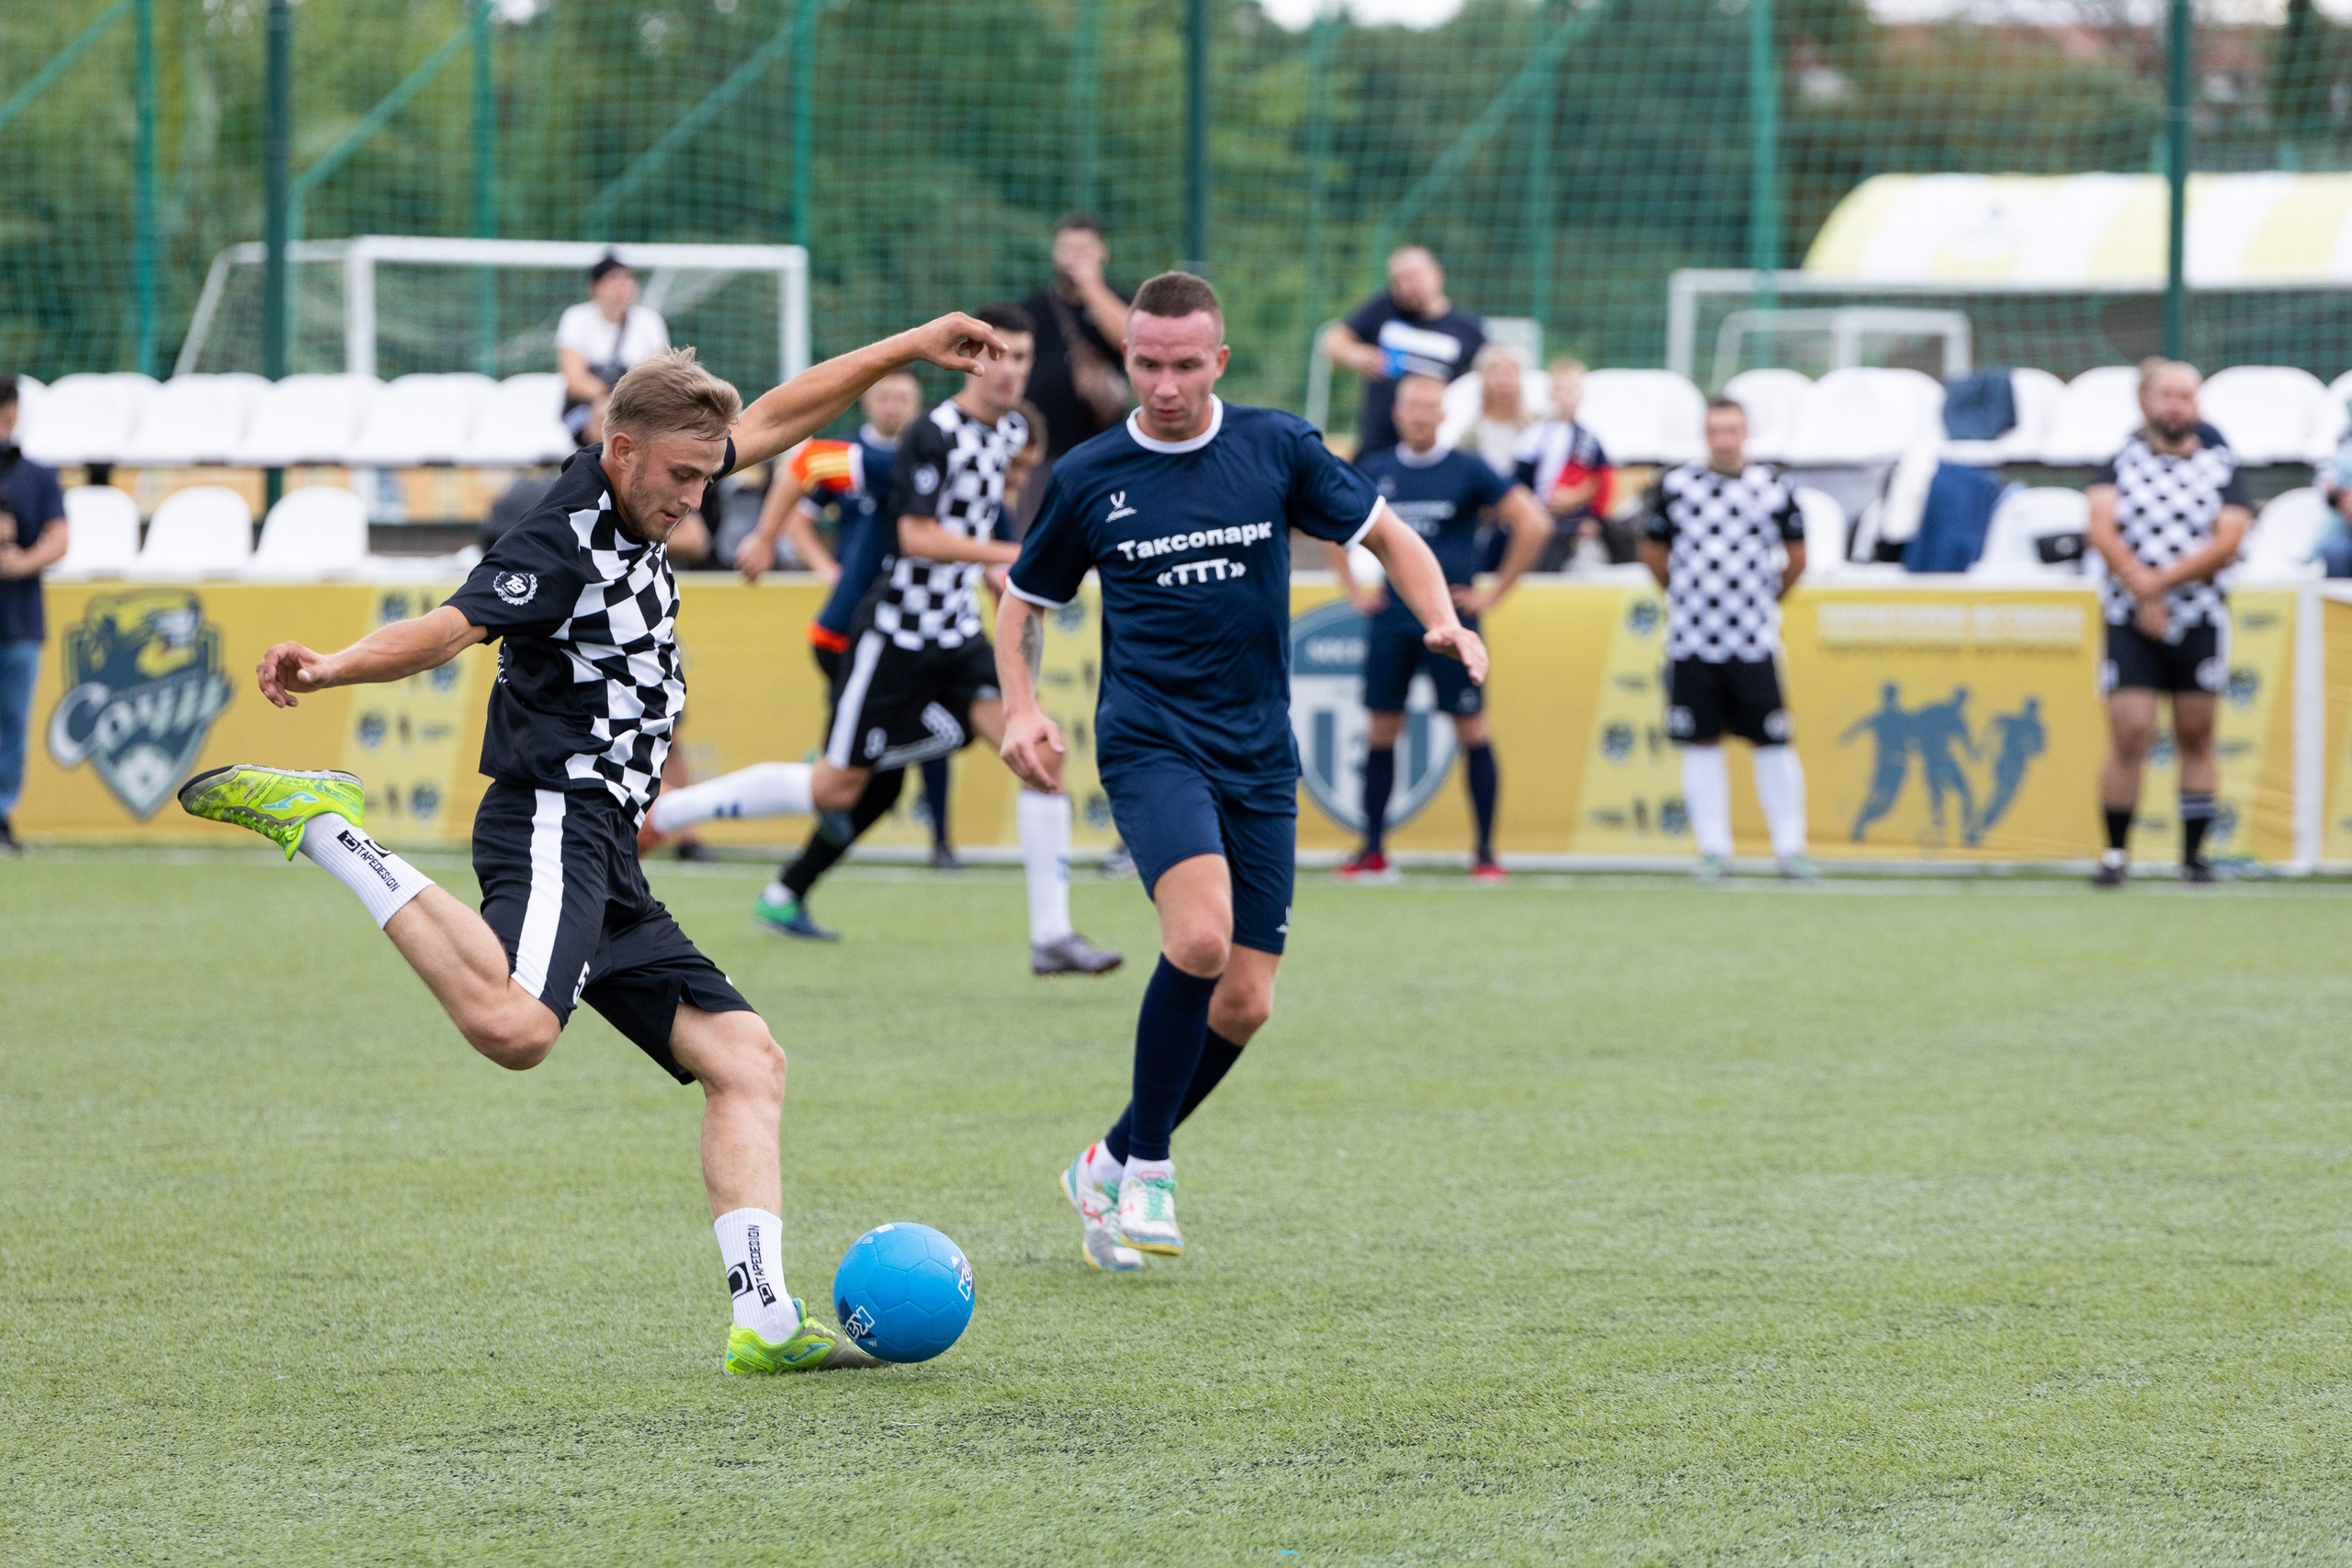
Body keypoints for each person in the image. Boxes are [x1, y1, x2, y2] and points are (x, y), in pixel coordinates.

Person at [175, 312, 1010, 1377]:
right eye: (682, 477)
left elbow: (790, 411)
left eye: (710, 477)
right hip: (550, 813)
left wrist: (905, 348)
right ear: (621, 452)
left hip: (608, 844)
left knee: (746, 1061)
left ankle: (762, 1319)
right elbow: (447, 627)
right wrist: (333, 667)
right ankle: (327, 828)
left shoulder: (667, 470)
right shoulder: (559, 538)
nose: (697, 498)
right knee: (519, 1030)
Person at [995, 272, 1483, 1271]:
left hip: (1259, 750)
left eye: (1184, 365)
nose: (1164, 384)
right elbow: (1020, 604)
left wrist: (1441, 616)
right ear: (1125, 359)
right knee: (1202, 935)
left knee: (1246, 1002)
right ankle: (1151, 1174)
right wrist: (1023, 708)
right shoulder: (1090, 474)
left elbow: (1388, 534)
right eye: (1146, 363)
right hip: (1149, 739)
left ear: (1217, 361)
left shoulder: (1276, 447)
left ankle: (1108, 1154)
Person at [650, 307, 1121, 977]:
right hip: (893, 638)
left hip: (956, 637)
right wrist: (1016, 554)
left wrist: (1005, 583)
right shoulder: (933, 433)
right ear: (973, 359)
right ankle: (672, 809)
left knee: (1036, 752)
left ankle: (1053, 936)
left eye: (1023, 356)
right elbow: (917, 539)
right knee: (837, 787)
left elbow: (980, 532)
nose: (1013, 369)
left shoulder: (1013, 432)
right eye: (1001, 355)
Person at [732, 372, 963, 890]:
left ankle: (790, 889)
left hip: (907, 635)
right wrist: (768, 539)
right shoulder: (885, 463)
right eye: (885, 395)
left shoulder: (958, 470)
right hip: (851, 636)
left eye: (904, 396)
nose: (894, 406)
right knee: (856, 778)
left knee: (886, 778)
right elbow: (804, 463)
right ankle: (687, 814)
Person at [1326, 372, 1550, 882]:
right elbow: (1328, 528)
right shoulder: (1375, 468)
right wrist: (1354, 590)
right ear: (1396, 413)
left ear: (1445, 414)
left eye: (1431, 407)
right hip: (1391, 622)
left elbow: (1534, 521)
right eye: (1412, 406)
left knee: (1473, 729)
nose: (1421, 415)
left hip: (1454, 626)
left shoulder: (1468, 469)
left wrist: (1494, 593)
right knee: (1381, 728)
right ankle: (1374, 851)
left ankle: (1487, 855)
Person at [2086, 359, 2251, 887]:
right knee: (2131, 731)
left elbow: (2228, 539)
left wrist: (2162, 585)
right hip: (2128, 615)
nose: (2176, 406)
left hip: (2198, 615)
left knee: (2196, 733)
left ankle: (2194, 856)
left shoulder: (2221, 463)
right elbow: (2101, 528)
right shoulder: (2121, 460)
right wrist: (2141, 587)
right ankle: (2115, 853)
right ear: (2145, 401)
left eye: (2187, 396)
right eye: (2167, 396)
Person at [1638, 397, 1812, 882]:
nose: (1724, 439)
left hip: (1754, 640)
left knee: (1772, 741)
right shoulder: (1677, 487)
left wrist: (1767, 598)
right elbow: (1652, 551)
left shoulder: (1773, 487)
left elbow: (1797, 557)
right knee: (1701, 742)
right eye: (1715, 430)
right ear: (1705, 434)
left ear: (1746, 433)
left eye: (1732, 429)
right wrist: (1684, 594)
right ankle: (1713, 850)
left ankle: (1790, 848)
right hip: (1693, 640)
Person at [1322, 245, 1486, 456]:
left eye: (1414, 276)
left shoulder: (1466, 328)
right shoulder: (1382, 309)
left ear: (1437, 274)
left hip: (1437, 447)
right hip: (1379, 445)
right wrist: (1356, 354)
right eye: (1399, 279)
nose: (1407, 286)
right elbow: (1332, 341)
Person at [0, 374, 68, 853]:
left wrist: (21, 560)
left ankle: (1, 813)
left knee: (11, 725)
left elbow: (60, 537)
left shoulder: (37, 476)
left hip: (19, 621)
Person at [1020, 214, 1133, 465]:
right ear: (1055, 254)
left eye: (1084, 249)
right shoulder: (1033, 308)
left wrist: (1090, 286)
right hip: (1043, 452)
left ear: (1103, 253)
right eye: (1068, 249)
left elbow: (1133, 340)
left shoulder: (1120, 301)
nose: (1075, 257)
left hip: (1102, 446)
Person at [1512, 357, 1623, 570]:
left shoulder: (1589, 440)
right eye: (1560, 390)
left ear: (1581, 395)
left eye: (1572, 390)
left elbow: (1604, 480)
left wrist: (1594, 518)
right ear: (1551, 395)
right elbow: (1520, 478)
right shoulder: (1534, 435)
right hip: (1539, 514)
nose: (1566, 397)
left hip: (1576, 518)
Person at [557, 254, 671, 447]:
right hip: (586, 407)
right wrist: (610, 400)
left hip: (635, 404)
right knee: (606, 416)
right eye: (614, 279)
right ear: (595, 286)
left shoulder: (649, 321)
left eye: (627, 279)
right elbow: (575, 379)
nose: (622, 285)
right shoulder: (576, 318)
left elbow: (659, 373)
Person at [1465, 344, 1532, 476]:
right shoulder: (1470, 436)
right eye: (1495, 370)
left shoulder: (1538, 426)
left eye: (1512, 370)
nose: (1505, 378)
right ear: (1483, 378)